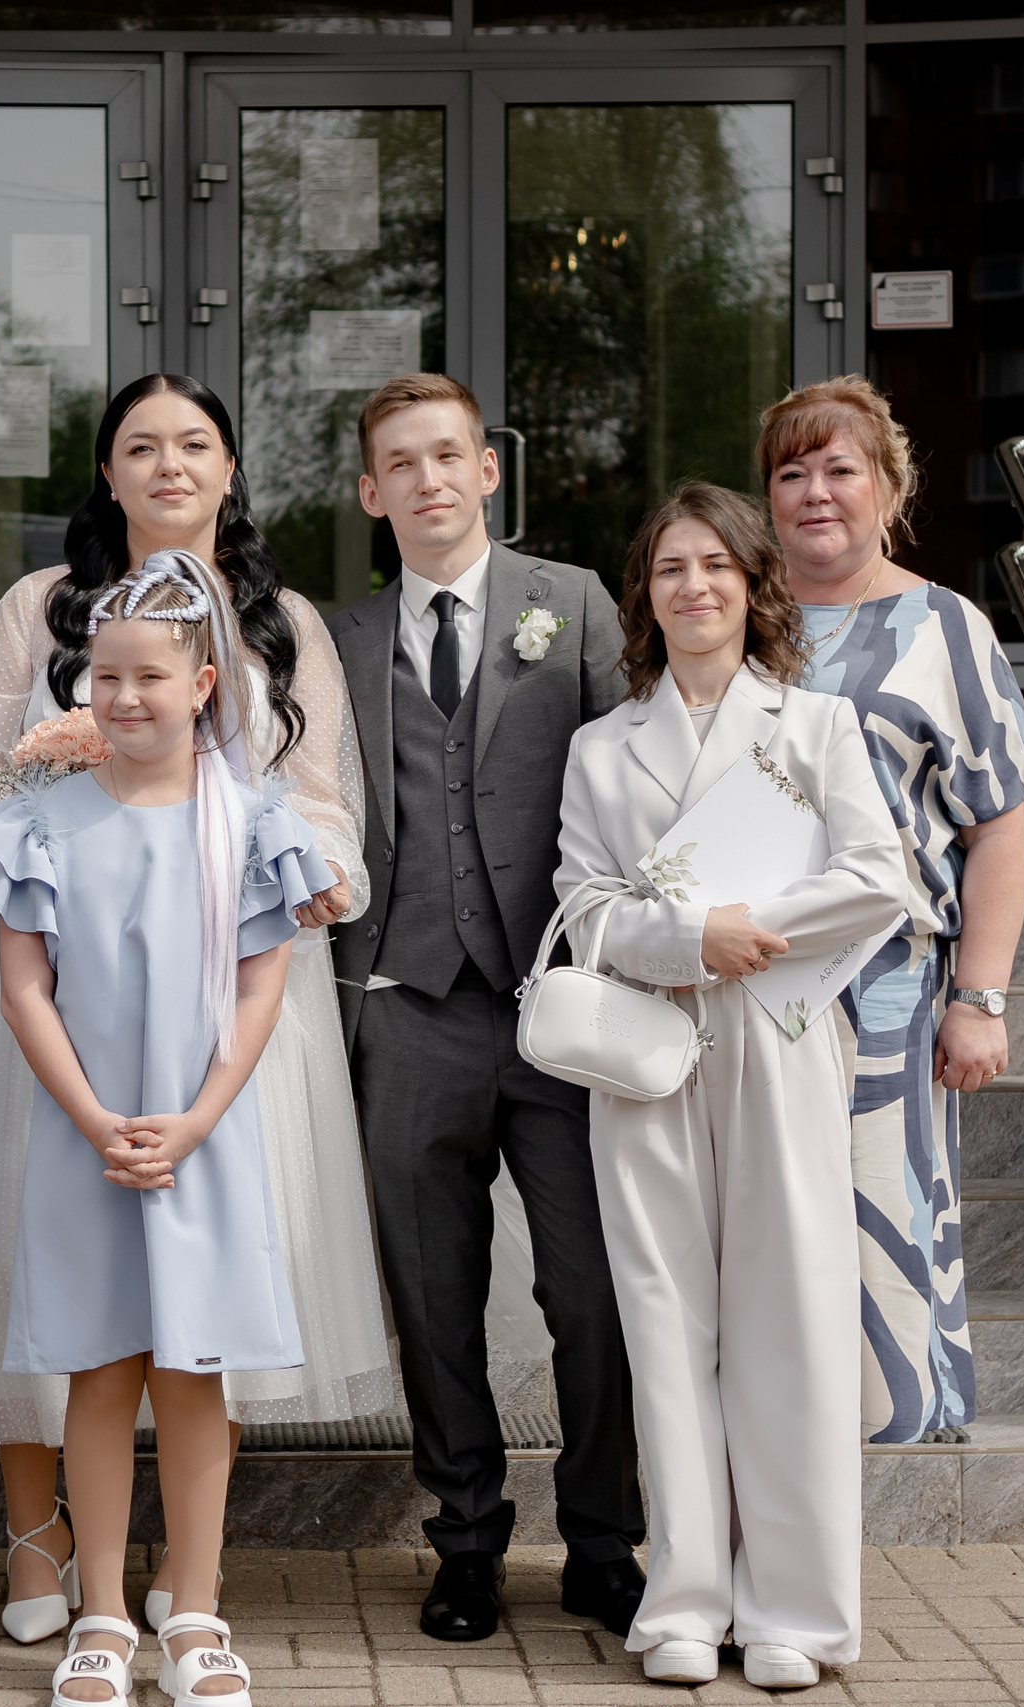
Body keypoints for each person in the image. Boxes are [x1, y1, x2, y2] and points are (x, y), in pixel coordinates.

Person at [0, 373, 392, 1641]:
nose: (169, 464)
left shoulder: (283, 620)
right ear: (108, 471)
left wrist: (293, 866)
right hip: (75, 985)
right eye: (142, 446)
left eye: (194, 444)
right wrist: (43, 783)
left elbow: (329, 791)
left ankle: (190, 1579)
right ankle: (43, 1552)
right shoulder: (40, 608)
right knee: (39, 1262)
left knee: (202, 1277)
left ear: (230, 469)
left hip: (229, 985)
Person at [552, 483, 906, 1688]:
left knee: (791, 1319)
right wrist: (687, 939)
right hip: (647, 1049)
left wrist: (745, 929)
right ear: (643, 598)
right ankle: (685, 1604)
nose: (692, 586)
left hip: (779, 1035)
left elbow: (878, 876)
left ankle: (796, 1615)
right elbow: (583, 910)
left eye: (714, 566)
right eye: (668, 570)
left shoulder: (816, 728)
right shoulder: (602, 747)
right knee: (665, 1324)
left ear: (752, 585)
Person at [0, 553, 333, 1707]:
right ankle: (102, 1614)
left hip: (201, 1135)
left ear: (205, 687)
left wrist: (195, 1120)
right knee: (97, 1367)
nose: (126, 699)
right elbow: (25, 987)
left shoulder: (250, 821)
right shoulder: (44, 820)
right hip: (91, 1135)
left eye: (150, 679)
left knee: (194, 1373)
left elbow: (258, 991)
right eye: (105, 679)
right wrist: (92, 1121)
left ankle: (199, 1608)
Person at [329, 372, 645, 1644]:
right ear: (370, 492)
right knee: (432, 1294)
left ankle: (603, 1539)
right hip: (406, 1009)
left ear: (488, 469)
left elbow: (638, 772)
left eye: (448, 456)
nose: (428, 480)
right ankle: (463, 1540)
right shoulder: (337, 638)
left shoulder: (569, 606)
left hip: (558, 1005)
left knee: (590, 1290)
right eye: (400, 463)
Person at [761, 375, 1024, 1446]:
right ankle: (783, 1433)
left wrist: (980, 996)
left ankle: (888, 1431)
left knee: (881, 1207)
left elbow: (1000, 825)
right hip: (754, 973)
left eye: (839, 470)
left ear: (888, 486)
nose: (815, 494)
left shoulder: (945, 627)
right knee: (771, 1216)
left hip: (888, 988)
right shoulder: (742, 615)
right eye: (792, 474)